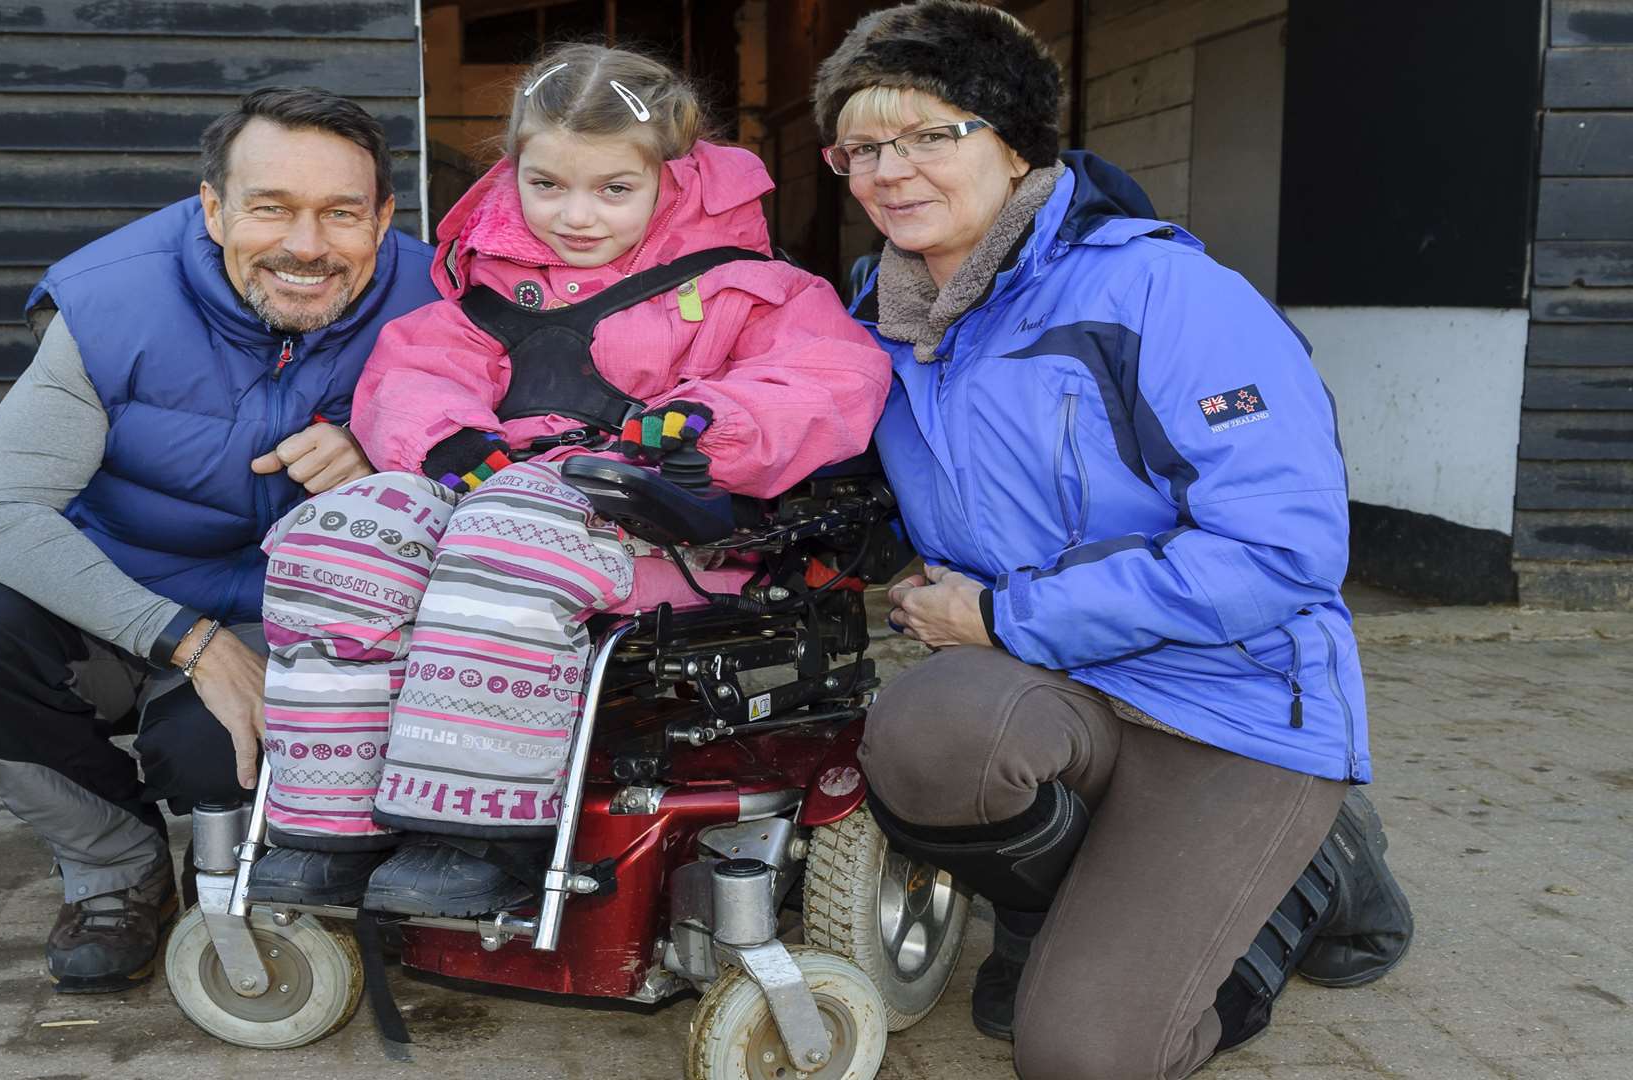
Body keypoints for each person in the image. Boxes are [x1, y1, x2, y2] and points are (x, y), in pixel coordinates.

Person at [811, 3, 1414, 1076]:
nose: (887, 170)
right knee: (927, 734)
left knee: (1081, 1058)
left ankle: (1309, 877)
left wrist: (999, 613)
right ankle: (1072, 911)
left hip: (1229, 706)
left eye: (928, 135)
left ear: (1014, 140)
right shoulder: (882, 319)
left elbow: (1283, 551)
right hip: (1054, 690)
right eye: (861, 146)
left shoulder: (1162, 292)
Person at [241, 43, 891, 916]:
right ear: (514, 171)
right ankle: (331, 824)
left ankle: (480, 829)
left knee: (511, 531)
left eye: (613, 189)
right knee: (347, 531)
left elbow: (827, 381)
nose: (575, 216)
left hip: (677, 529)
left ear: (674, 173)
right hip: (505, 503)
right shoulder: (489, 289)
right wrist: (449, 442)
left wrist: (707, 426)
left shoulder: (750, 288)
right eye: (546, 185)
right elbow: (412, 373)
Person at [0, 87, 439, 993]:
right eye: (271, 208)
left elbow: (515, 470)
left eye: (340, 213)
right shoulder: (111, 302)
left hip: (302, 623)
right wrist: (188, 639)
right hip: (122, 608)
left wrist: (388, 450)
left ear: (382, 217)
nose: (306, 245)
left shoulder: (439, 300)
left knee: (213, 752)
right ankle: (115, 863)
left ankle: (244, 853)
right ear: (213, 207)